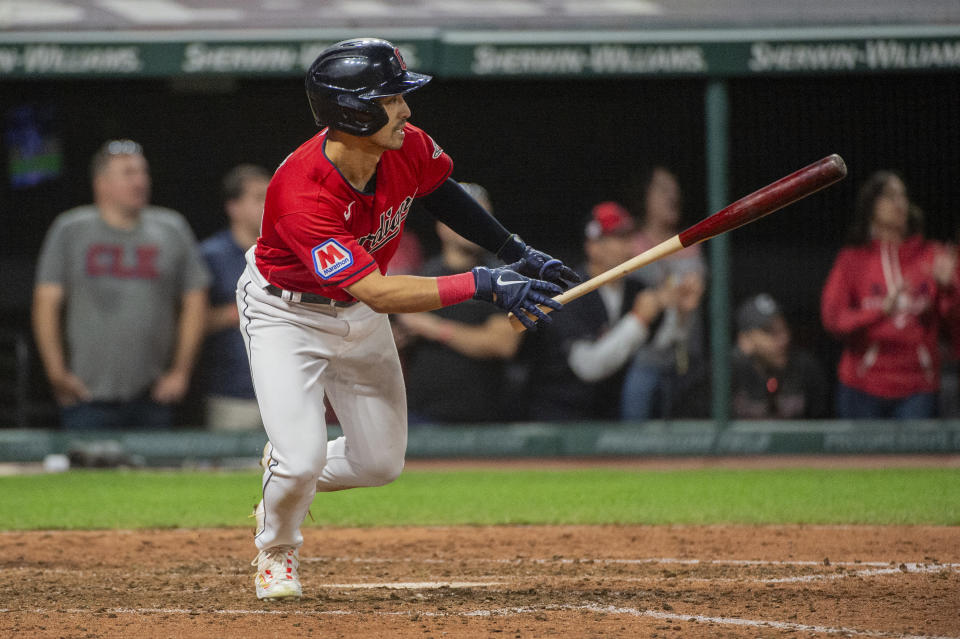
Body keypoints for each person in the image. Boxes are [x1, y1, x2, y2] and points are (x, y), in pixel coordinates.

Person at [240, 38, 578, 600]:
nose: (406, 109)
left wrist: (514, 250)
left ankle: (289, 467)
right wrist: (485, 284)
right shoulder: (301, 191)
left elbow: (441, 192)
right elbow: (375, 289)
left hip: (360, 313)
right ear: (353, 113)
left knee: (379, 464)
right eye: (391, 99)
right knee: (301, 463)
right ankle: (277, 550)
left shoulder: (406, 145)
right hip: (286, 316)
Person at [32, 139, 210, 430]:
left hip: (153, 394)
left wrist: (180, 371)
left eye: (144, 172)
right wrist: (56, 372)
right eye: (128, 173)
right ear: (101, 183)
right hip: (86, 395)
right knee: (85, 474)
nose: (140, 181)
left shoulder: (171, 227)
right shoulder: (70, 229)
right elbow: (46, 302)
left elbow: (195, 299)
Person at [821, 170, 959, 419]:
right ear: (871, 206)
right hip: (861, 387)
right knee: (859, 459)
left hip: (917, 388)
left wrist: (949, 287)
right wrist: (879, 311)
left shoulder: (932, 256)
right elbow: (834, 319)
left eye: (903, 196)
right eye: (890, 196)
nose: (899, 203)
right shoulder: (853, 259)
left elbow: (953, 327)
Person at [522, 201, 665, 421]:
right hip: (557, 419)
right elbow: (588, 367)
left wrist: (680, 312)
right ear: (593, 246)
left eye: (630, 237)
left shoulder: (636, 290)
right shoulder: (567, 294)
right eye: (619, 238)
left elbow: (661, 350)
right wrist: (638, 320)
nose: (630, 248)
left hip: (608, 417)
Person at [394, 183, 523, 423]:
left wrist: (432, 328)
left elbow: (503, 343)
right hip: (422, 417)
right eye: (464, 216)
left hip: (487, 420)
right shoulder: (421, 276)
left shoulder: (504, 278)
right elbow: (394, 337)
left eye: (482, 218)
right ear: (442, 225)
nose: (474, 225)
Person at [620, 166, 708, 419]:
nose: (673, 195)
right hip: (644, 358)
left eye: (675, 189)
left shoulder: (693, 241)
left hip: (688, 358)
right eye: (663, 189)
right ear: (644, 195)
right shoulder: (630, 244)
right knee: (636, 436)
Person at [196, 164, 271, 431]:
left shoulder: (288, 254)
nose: (270, 204)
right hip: (231, 394)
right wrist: (240, 310)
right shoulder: (211, 255)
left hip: (285, 392)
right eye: (260, 198)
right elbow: (190, 323)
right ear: (234, 207)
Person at [731, 293, 829, 419]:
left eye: (783, 328)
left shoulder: (806, 368)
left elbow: (821, 425)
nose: (784, 338)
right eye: (770, 332)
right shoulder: (728, 374)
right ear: (745, 340)